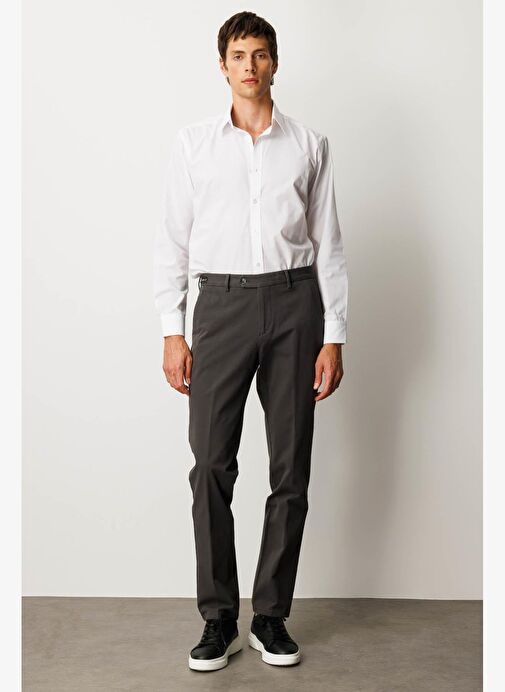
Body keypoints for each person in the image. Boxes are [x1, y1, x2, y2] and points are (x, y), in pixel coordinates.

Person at [153, 11, 348, 672]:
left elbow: (329, 245)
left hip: (295, 303)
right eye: (238, 55)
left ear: (274, 63)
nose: (249, 66)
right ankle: (218, 619)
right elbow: (172, 242)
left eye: (260, 54)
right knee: (211, 464)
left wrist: (334, 335)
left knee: (290, 469)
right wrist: (173, 330)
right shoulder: (193, 145)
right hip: (220, 306)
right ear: (222, 65)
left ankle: (270, 617)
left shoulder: (309, 144)